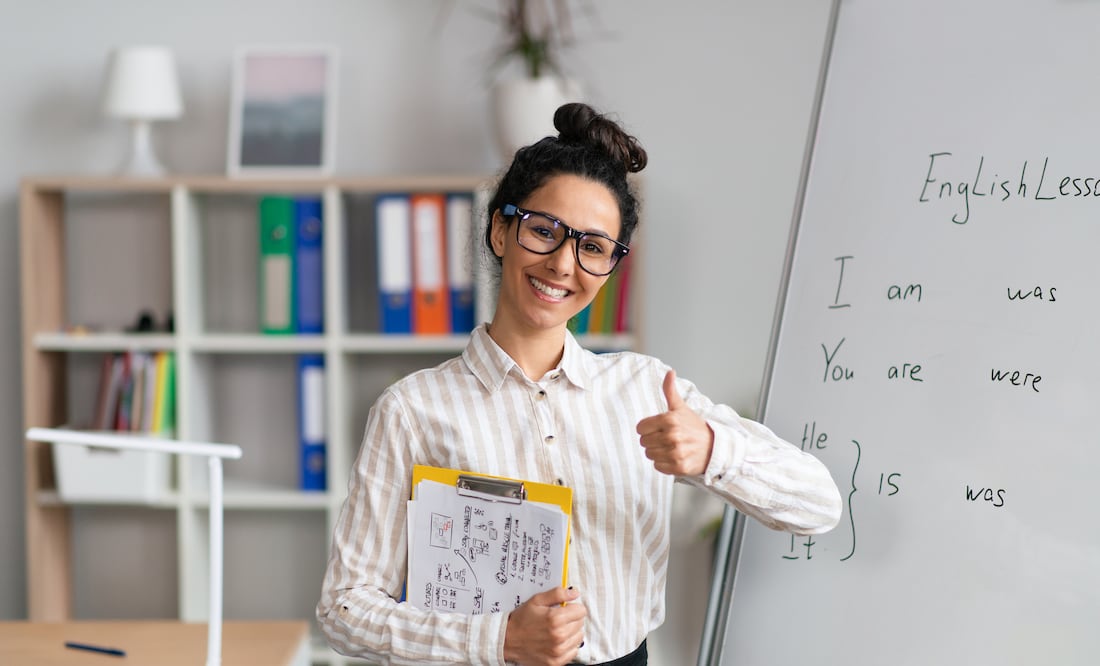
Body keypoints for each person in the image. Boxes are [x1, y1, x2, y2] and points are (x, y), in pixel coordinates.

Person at [317, 103, 842, 666]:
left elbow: (820, 505)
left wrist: (714, 451)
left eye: (592, 247)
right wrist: (497, 640)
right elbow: (344, 609)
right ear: (500, 229)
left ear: (611, 266)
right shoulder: (412, 409)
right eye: (544, 231)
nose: (564, 264)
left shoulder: (644, 389)